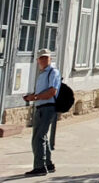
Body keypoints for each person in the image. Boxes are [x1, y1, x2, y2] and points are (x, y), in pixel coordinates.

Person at [23, 48, 60, 176]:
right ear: (38, 60)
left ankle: (40, 167)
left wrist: (36, 97)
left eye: (46, 57)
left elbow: (52, 92)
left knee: (38, 138)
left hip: (48, 107)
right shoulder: (42, 73)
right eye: (41, 58)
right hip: (40, 107)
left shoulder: (53, 72)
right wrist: (31, 97)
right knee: (41, 136)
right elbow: (41, 92)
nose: (44, 60)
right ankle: (48, 164)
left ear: (50, 59)